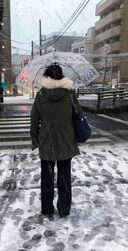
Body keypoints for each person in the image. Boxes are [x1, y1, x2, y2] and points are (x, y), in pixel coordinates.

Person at [30, 64, 81, 218]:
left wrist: (35, 139)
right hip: (66, 141)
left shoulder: (41, 95)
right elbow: (77, 115)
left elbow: (34, 120)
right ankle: (64, 209)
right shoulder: (69, 94)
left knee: (47, 178)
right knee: (64, 177)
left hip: (46, 141)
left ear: (46, 77)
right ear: (61, 76)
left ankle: (47, 209)